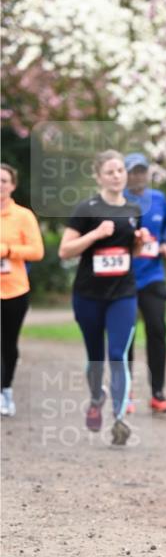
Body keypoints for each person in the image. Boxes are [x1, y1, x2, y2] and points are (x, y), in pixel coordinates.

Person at [58, 150, 151, 446]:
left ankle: (120, 417)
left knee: (118, 354)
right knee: (96, 356)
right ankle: (97, 397)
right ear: (98, 176)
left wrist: (138, 243)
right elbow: (65, 251)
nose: (116, 176)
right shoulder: (86, 209)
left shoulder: (134, 210)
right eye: (110, 172)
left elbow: (131, 254)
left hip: (123, 293)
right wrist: (96, 234)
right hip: (88, 294)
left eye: (120, 171)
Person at [123, 152, 166, 413]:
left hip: (153, 276)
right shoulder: (117, 201)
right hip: (124, 278)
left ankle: (157, 392)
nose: (138, 176)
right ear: (125, 174)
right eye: (133, 171)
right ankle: (126, 392)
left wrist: (165, 243)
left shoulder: (158, 199)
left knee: (157, 331)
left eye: (142, 171)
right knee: (126, 335)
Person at [0, 163, 45, 416]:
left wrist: (7, 250)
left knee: (8, 343)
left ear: (13, 185)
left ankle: (6, 390)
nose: (0, 185)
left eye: (4, 180)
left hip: (14, 290)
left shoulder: (23, 216)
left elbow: (37, 251)